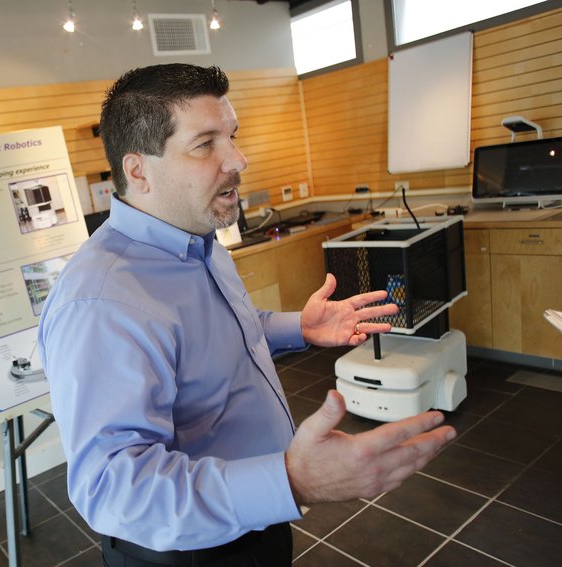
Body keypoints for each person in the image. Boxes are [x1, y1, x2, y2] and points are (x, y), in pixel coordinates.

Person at [38, 64, 456, 566]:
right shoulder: (102, 301)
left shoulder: (198, 239)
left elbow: (221, 335)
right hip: (190, 551)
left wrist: (297, 328)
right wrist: (291, 479)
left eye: (232, 136)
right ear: (138, 170)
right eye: (205, 144)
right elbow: (111, 489)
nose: (238, 158)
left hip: (257, 521)